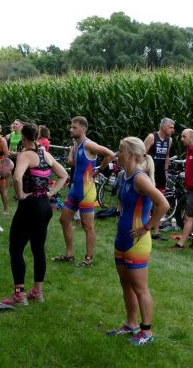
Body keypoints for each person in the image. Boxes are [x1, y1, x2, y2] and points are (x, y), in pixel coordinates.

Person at [106, 137, 169, 346]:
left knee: (140, 288)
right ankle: (130, 324)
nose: (117, 154)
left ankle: (147, 332)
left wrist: (146, 227)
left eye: (120, 150)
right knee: (126, 284)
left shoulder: (140, 179)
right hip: (122, 238)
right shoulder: (124, 175)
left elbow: (163, 204)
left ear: (131, 154)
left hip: (137, 242)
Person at [2, 123, 68, 305]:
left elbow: (17, 177)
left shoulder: (25, 155)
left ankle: (19, 294)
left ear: (23, 138)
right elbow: (63, 175)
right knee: (38, 248)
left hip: (30, 205)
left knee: (16, 248)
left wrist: (21, 195)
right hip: (45, 206)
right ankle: (37, 292)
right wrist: (50, 193)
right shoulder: (45, 154)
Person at [54, 116, 115, 267]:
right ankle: (69, 254)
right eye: (71, 127)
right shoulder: (77, 145)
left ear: (83, 129)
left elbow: (110, 154)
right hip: (75, 189)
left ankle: (88, 259)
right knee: (64, 220)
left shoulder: (89, 144)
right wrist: (71, 151)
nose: (71, 129)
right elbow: (73, 163)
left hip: (86, 191)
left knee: (87, 226)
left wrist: (99, 170)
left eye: (74, 127)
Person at [144, 118, 174, 238]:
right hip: (150, 173)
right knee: (147, 200)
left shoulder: (169, 140)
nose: (173, 130)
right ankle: (144, 228)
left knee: (159, 202)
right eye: (171, 127)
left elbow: (167, 156)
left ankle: (156, 231)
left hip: (161, 174)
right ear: (163, 127)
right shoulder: (152, 137)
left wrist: (166, 172)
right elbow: (142, 154)